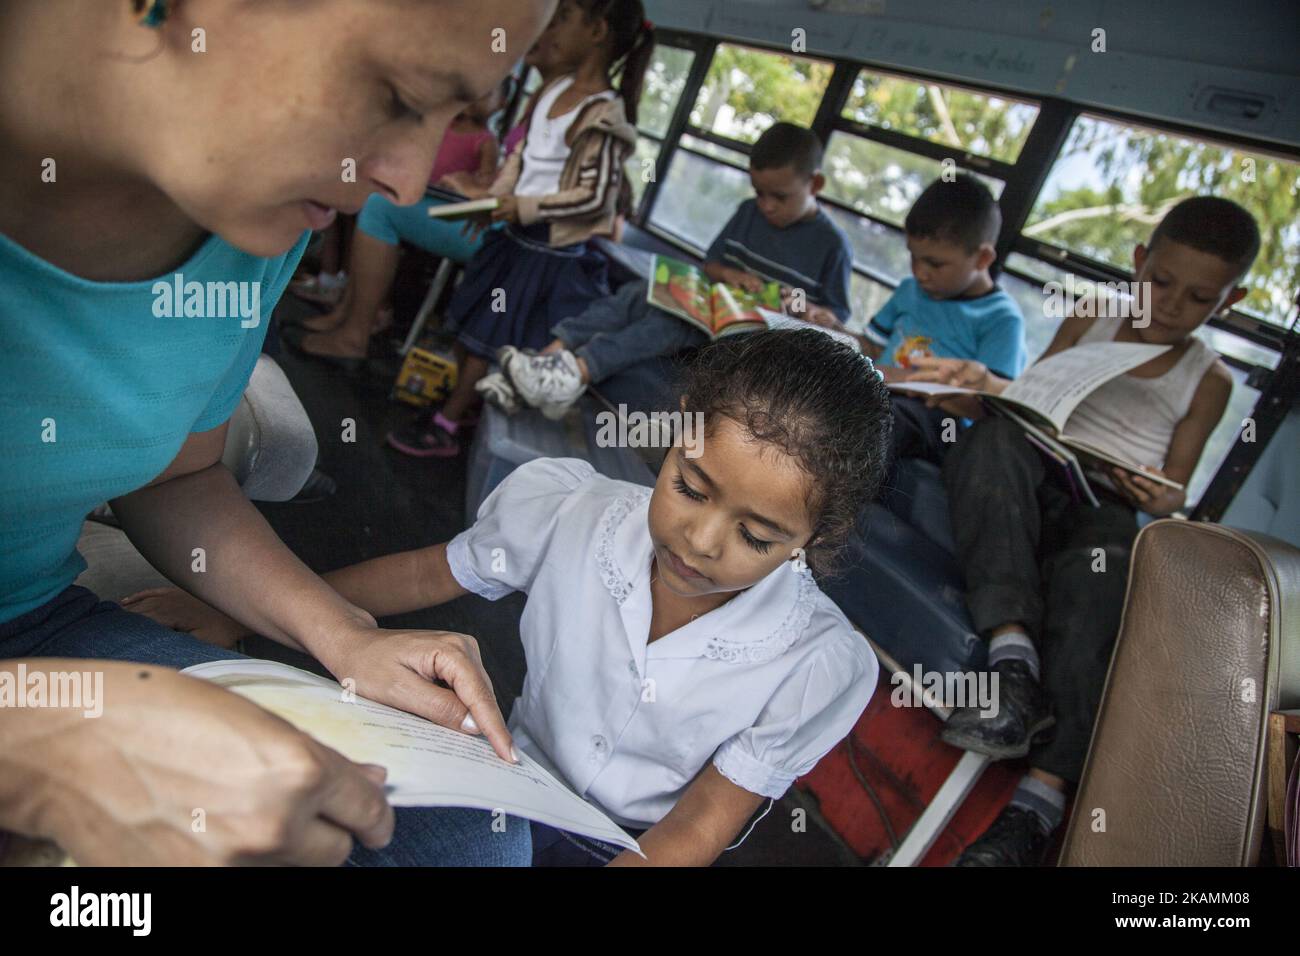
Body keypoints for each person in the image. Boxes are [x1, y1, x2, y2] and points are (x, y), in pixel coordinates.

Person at [0, 0, 557, 866]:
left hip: (29, 625)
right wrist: (38, 744)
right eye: (403, 95)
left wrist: (345, 637)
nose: (408, 184)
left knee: (458, 841)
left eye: (460, 118)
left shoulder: (254, 225)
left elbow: (175, 478)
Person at [122, 329, 895, 866]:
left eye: (756, 538)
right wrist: (232, 610)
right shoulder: (573, 510)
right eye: (689, 488)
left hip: (631, 847)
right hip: (500, 774)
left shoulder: (819, 665)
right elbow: (427, 575)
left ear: (812, 542)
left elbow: (699, 824)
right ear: (667, 447)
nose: (699, 541)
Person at [906, 196, 1259, 865]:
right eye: (1159, 283)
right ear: (1138, 262)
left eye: (1198, 298)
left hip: (1104, 502)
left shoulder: (1206, 378)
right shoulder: (1094, 313)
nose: (1171, 305)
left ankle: (1036, 805)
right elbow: (1031, 397)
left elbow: (1178, 486)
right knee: (991, 442)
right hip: (1035, 472)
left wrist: (1162, 490)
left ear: (1230, 299)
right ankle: (1013, 663)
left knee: (1111, 569)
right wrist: (985, 392)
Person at [386, 0, 654, 458]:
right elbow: (518, 161)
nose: (551, 26)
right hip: (514, 237)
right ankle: (462, 410)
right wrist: (492, 203)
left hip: (548, 253)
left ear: (598, 30)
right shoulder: (550, 92)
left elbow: (595, 198)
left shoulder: (605, 114)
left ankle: (447, 424)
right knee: (477, 331)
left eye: (565, 17)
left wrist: (519, 206)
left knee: (491, 339)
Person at [483, 121, 855, 419]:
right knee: (641, 291)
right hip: (717, 307)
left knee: (675, 320)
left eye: (780, 196)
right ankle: (543, 364)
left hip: (755, 341)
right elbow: (711, 264)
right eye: (759, 192)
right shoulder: (747, 212)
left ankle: (575, 372)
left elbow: (832, 320)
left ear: (816, 184)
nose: (766, 206)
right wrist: (731, 276)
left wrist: (802, 307)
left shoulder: (833, 246)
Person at [852, 175, 1026, 465]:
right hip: (876, 390)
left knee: (892, 418)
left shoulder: (1001, 319)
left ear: (982, 258)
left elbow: (987, 410)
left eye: (935, 263)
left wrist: (910, 382)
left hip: (941, 423)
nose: (920, 272)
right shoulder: (909, 290)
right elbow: (871, 346)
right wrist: (829, 331)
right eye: (913, 257)